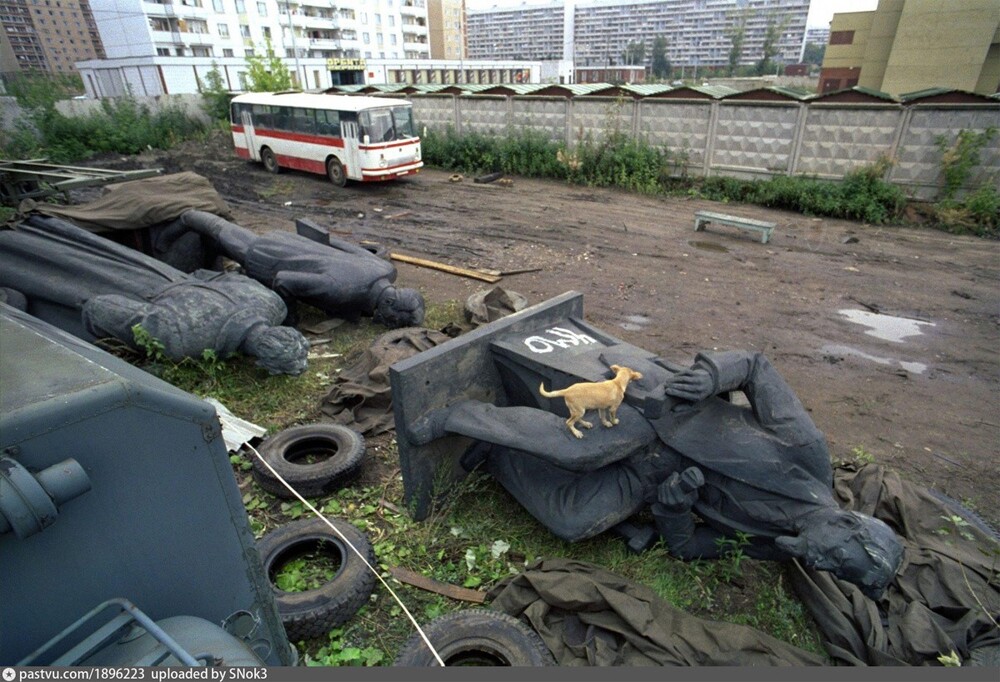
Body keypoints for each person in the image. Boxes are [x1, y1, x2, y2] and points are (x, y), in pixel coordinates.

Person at [409, 350, 904, 599]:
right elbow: (756, 366)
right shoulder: (807, 456)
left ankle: (496, 455)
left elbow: (687, 547)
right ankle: (459, 416)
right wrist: (713, 375)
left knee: (574, 520)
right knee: (576, 450)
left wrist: (674, 507)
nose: (822, 564)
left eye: (836, 572)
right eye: (838, 557)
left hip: (652, 481)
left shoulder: (777, 543)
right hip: (661, 426)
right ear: (847, 525)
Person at [0, 215, 308, 375]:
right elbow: (100, 310)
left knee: (77, 248)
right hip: (124, 288)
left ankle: (27, 230)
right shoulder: (188, 340)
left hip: (159, 274)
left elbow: (209, 275)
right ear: (260, 361)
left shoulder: (271, 303)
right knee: (38, 265)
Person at [178, 211, 425, 328]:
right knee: (222, 231)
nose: (388, 325)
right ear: (389, 307)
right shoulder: (340, 289)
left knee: (220, 236)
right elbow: (284, 280)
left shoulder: (386, 268)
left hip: (298, 246)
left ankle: (189, 229)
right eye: (393, 322)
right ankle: (182, 219)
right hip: (271, 256)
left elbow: (342, 245)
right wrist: (290, 320)